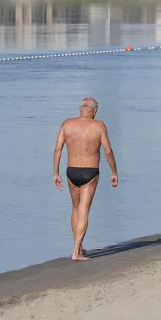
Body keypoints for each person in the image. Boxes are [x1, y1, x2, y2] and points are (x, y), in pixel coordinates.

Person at [53, 98, 118, 261]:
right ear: (94, 111)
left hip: (71, 171)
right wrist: (114, 172)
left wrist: (56, 172)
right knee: (84, 210)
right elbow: (108, 151)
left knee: (75, 208)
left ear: (80, 109)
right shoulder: (99, 126)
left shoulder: (67, 124)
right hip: (90, 172)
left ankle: (79, 248)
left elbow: (58, 150)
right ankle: (76, 252)